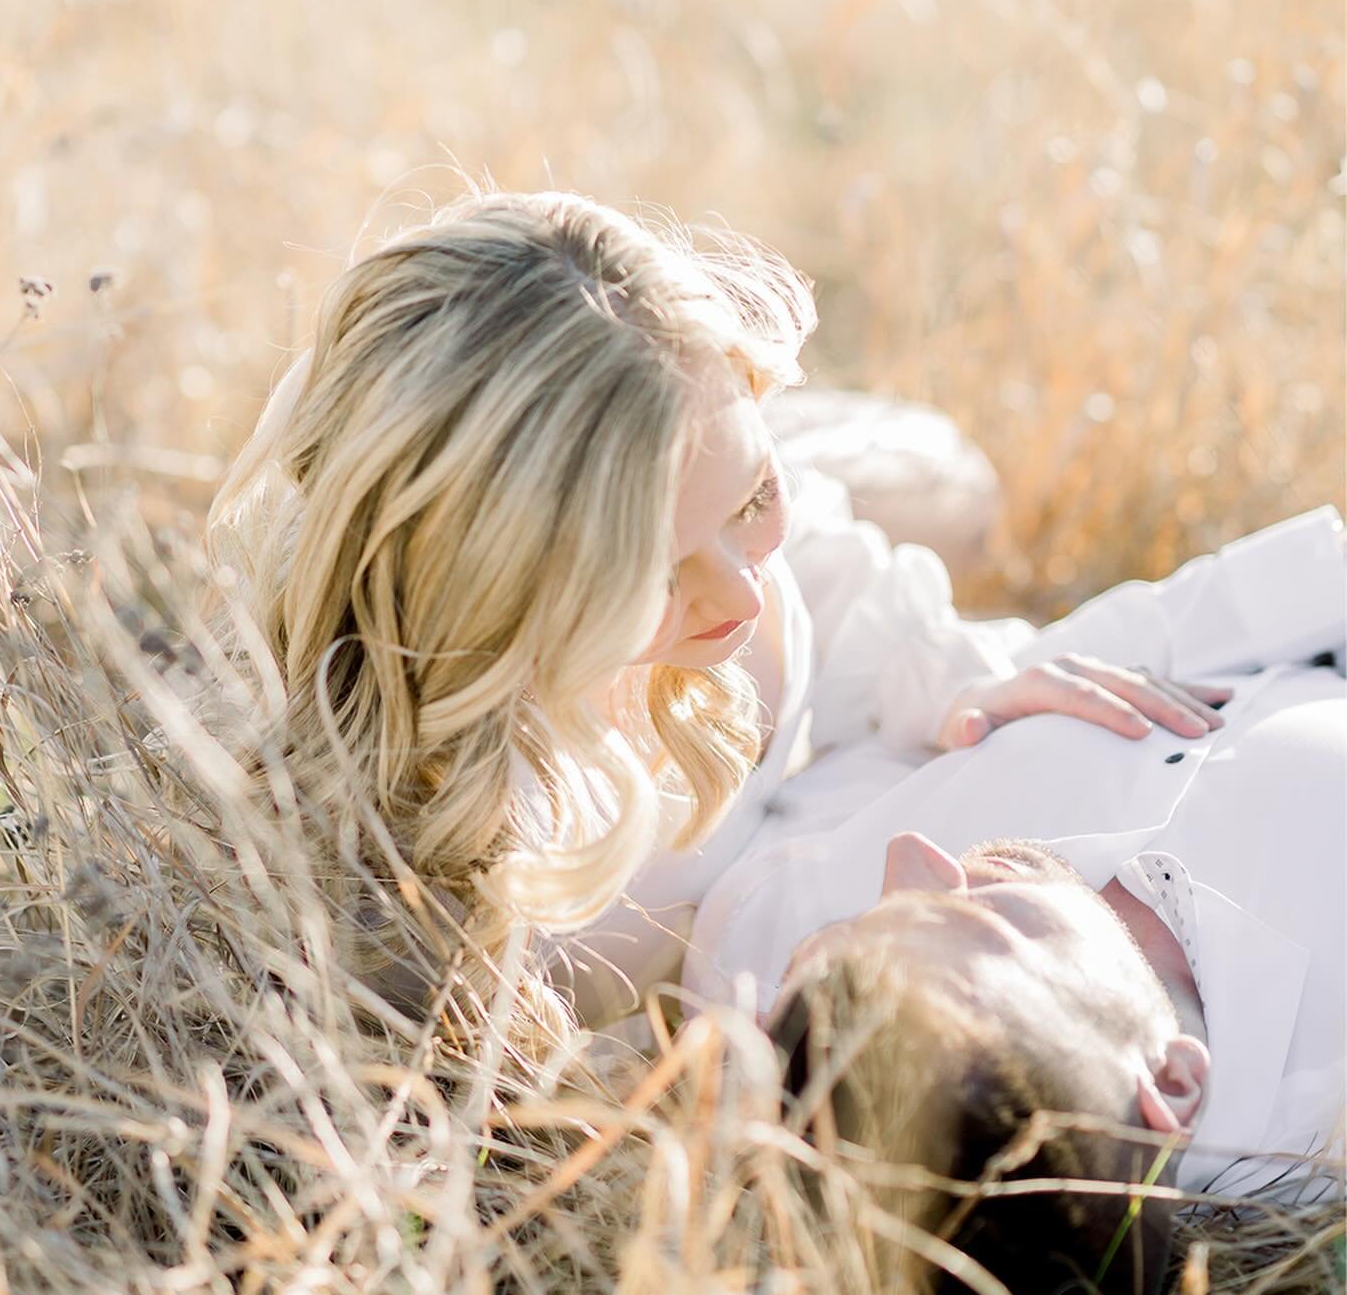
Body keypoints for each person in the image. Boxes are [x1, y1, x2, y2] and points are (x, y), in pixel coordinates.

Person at [204, 185, 1221, 1027]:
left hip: (769, 497)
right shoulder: (461, 857)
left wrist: (952, 670)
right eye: (649, 572)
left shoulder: (747, 565)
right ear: (486, 595)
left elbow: (823, 567)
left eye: (749, 498)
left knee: (952, 481)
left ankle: (805, 455)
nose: (740, 593)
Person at [691, 508, 1346, 1295]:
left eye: (859, 922)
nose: (915, 857)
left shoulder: (778, 949)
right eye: (985, 923)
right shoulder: (1321, 1091)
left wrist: (958, 681)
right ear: (1172, 1079)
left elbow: (837, 680)